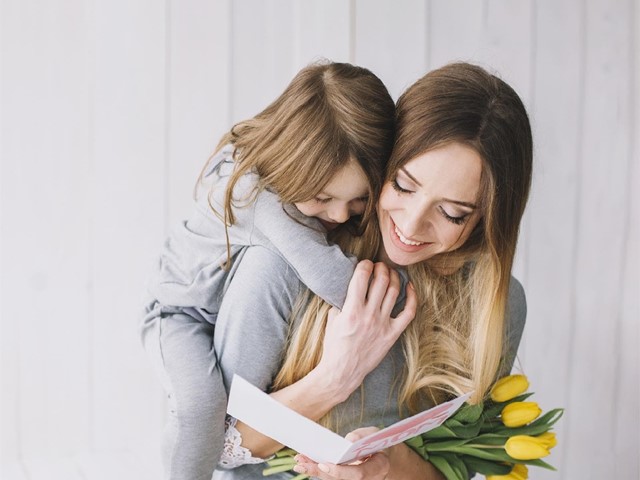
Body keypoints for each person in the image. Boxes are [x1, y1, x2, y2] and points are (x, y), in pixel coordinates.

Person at [211, 61, 533, 480]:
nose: (412, 225)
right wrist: (335, 378)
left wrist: (390, 467)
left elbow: (459, 469)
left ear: (488, 220)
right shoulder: (281, 267)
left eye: (453, 212)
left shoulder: (495, 305)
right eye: (403, 185)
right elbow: (215, 447)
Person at [139, 61, 396, 480]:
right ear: (293, 164)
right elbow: (335, 283)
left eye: (359, 201)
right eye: (322, 197)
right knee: (201, 408)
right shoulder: (257, 197)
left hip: (220, 309)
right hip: (180, 314)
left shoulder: (287, 178)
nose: (338, 215)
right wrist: (398, 296)